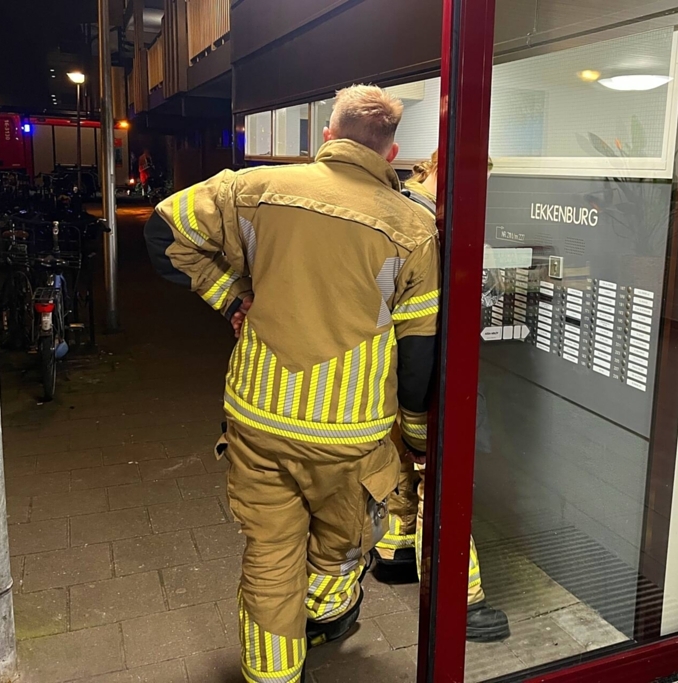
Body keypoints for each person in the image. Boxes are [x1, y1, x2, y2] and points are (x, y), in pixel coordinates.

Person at [143, 85, 440, 683]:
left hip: (258, 417)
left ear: (327, 138)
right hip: (350, 434)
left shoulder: (251, 189)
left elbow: (163, 233)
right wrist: (415, 435)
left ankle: (273, 674)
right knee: (347, 541)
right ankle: (328, 615)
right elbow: (419, 351)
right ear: (392, 152)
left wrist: (231, 297)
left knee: (270, 554)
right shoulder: (415, 228)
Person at [373, 150, 511, 643]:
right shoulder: (436, 228)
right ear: (431, 168)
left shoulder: (391, 210)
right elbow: (473, 308)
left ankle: (397, 552)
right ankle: (463, 598)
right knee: (443, 478)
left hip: (385, 371)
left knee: (402, 466)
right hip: (432, 374)